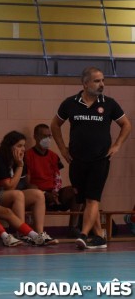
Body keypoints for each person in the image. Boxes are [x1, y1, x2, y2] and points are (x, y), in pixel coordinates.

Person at [51, 66, 131, 250]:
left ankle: (84, 235)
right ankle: (99, 237)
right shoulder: (70, 103)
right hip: (77, 160)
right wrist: (63, 149)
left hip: (100, 159)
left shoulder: (109, 103)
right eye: (97, 81)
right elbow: (55, 125)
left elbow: (126, 125)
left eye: (103, 80)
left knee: (92, 199)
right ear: (85, 83)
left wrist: (117, 145)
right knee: (85, 198)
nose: (101, 84)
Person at [0, 131, 58, 245]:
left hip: (8, 195)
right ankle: (24, 233)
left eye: (24, 145)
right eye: (19, 146)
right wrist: (19, 165)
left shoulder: (19, 160)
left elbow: (20, 184)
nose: (23, 149)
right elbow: (10, 187)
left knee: (38, 194)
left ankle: (39, 234)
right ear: (9, 146)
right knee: (17, 194)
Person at [25, 123, 82, 237]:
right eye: (44, 136)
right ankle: (33, 232)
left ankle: (73, 228)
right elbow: (27, 183)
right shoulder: (27, 155)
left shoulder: (53, 156)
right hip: (37, 193)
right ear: (35, 136)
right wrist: (44, 194)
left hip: (53, 192)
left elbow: (57, 177)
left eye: (49, 136)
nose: (47, 139)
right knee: (34, 191)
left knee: (76, 191)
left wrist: (55, 192)